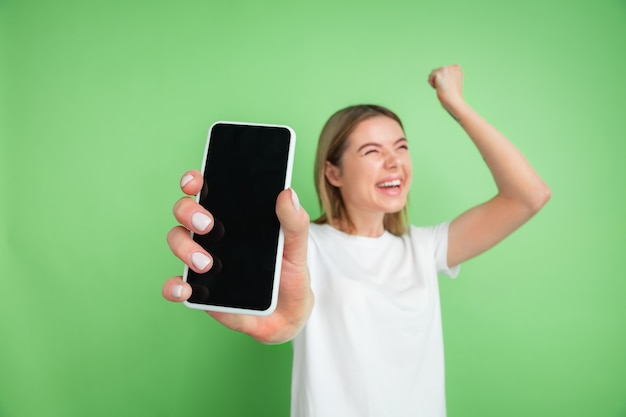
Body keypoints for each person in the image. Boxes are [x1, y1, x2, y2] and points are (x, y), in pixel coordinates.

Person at [162, 64, 551, 417]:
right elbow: (281, 306)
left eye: (401, 147)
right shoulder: (302, 245)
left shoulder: (423, 248)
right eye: (372, 151)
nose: (394, 162)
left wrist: (456, 105)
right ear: (333, 172)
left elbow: (529, 195)